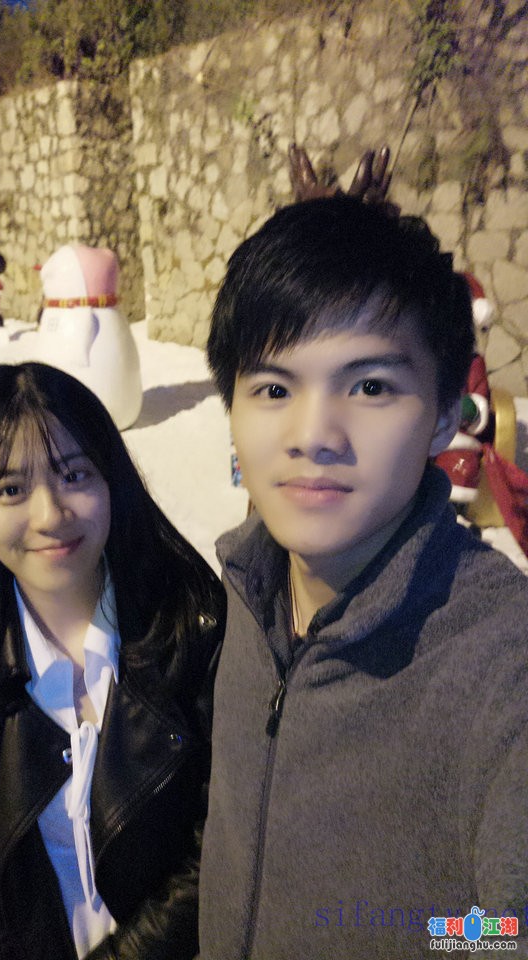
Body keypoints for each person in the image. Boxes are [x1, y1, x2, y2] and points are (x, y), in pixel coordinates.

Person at [199, 195, 528, 959]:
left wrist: (423, 938)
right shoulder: (247, 593)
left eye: (371, 386)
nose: (313, 436)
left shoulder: (503, 665)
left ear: (444, 415)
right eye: (273, 389)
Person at [0, 361, 224, 960]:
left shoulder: (191, 629)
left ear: (111, 479)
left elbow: (214, 855)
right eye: (10, 490)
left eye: (74, 474)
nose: (51, 514)